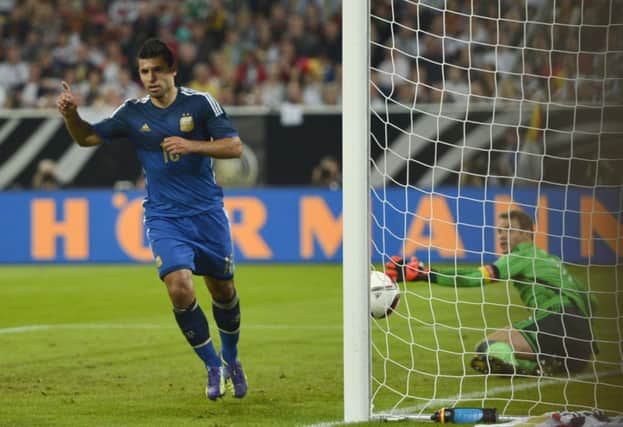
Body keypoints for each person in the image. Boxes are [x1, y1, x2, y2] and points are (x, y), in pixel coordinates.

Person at [56, 38, 247, 400]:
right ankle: (212, 364)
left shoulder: (201, 103)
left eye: (157, 70)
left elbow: (234, 146)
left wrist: (191, 145)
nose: (150, 78)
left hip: (207, 212)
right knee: (178, 286)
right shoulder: (133, 112)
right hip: (164, 216)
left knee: (223, 290)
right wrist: (70, 115)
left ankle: (232, 358)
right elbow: (87, 138)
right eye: (144, 71)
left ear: (173, 69)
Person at [385, 210, 597, 376]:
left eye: (508, 230)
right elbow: (592, 301)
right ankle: (550, 362)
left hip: (556, 321)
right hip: (582, 349)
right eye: (499, 231)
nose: (502, 236)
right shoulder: (553, 261)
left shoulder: (522, 256)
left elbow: (474, 278)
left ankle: (528, 368)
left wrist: (426, 274)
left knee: (488, 347)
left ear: (526, 233)